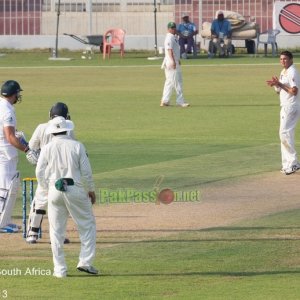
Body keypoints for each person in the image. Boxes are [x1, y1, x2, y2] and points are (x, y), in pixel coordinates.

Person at [36, 116, 97, 278]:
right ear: (67, 129)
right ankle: (85, 261)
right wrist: (91, 189)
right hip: (75, 189)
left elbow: (39, 171)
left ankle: (60, 270)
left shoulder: (48, 147)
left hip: (54, 190)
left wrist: (45, 187)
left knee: (56, 231)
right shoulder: (77, 146)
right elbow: (86, 172)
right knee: (87, 224)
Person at [26, 102, 74, 244]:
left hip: (44, 171)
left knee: (40, 202)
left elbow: (31, 147)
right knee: (60, 203)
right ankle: (58, 235)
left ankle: (32, 234)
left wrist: (34, 155)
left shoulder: (41, 128)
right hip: (61, 172)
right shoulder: (69, 128)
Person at [0, 80, 38, 233]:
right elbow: (9, 137)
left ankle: (5, 220)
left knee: (6, 187)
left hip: (2, 150)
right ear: (13, 94)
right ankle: (1, 224)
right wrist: (27, 149)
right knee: (6, 188)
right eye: (17, 93)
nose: (18, 96)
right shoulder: (8, 110)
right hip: (5, 153)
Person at [266, 50, 300, 175]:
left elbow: (294, 91)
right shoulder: (283, 71)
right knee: (286, 135)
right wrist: (276, 85)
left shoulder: (292, 72)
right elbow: (280, 91)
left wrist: (280, 83)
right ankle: (287, 164)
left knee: (284, 134)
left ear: (291, 60)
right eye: (281, 59)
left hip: (291, 107)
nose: (282, 61)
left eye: (285, 59)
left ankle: (293, 163)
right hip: (285, 106)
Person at [160, 22, 190, 108]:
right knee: (177, 82)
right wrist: (173, 61)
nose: (173, 29)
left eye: (174, 27)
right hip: (171, 63)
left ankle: (165, 100)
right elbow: (170, 51)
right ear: (168, 29)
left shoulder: (173, 37)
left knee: (170, 82)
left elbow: (175, 50)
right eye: (172, 28)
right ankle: (180, 101)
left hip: (174, 61)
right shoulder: (169, 38)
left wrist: (178, 60)